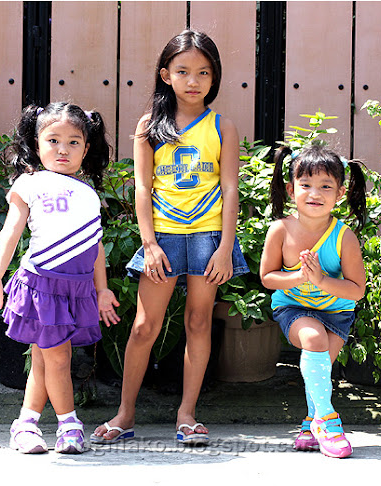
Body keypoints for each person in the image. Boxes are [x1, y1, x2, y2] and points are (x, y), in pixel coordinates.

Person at [91, 30, 248, 445]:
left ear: (215, 77)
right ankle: (125, 414)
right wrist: (149, 244)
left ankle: (187, 413)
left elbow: (231, 189)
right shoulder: (149, 126)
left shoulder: (223, 127)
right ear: (166, 74)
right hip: (162, 237)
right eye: (183, 71)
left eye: (203, 72)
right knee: (145, 325)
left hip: (208, 236)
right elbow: (142, 188)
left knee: (199, 322)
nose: (193, 81)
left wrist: (226, 249)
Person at [0, 102, 120, 454]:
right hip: (42, 284)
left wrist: (102, 289)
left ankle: (25, 425)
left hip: (76, 288)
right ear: (36, 144)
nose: (63, 150)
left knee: (45, 360)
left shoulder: (88, 193)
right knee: (58, 358)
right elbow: (11, 231)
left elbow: (95, 245)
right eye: (53, 140)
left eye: (74, 142)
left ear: (86, 149)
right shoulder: (30, 182)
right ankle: (69, 425)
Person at [259, 144, 367, 458]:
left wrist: (321, 280)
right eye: (305, 185)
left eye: (325, 186)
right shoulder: (280, 230)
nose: (314, 193)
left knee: (318, 373)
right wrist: (300, 277)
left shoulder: (344, 236)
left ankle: (309, 425)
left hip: (337, 313)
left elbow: (357, 290)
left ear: (341, 193)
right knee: (314, 340)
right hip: (293, 308)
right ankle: (330, 423)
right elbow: (267, 278)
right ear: (291, 189)